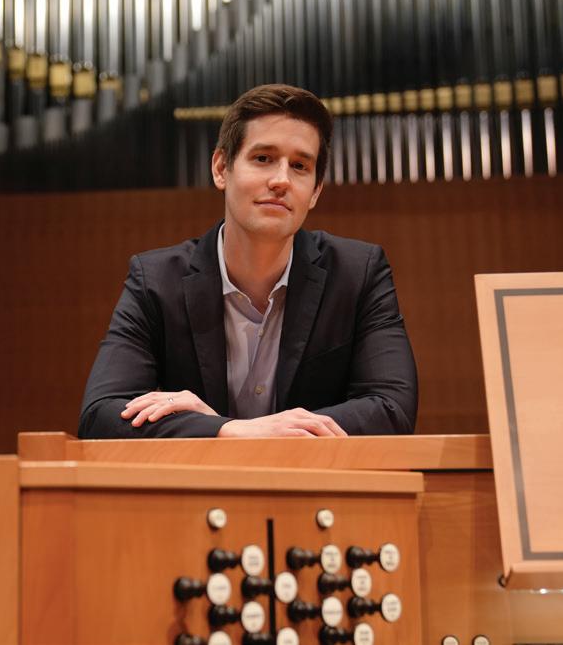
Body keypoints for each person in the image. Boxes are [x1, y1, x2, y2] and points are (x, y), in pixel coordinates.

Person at [79, 84, 417, 439]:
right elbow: (100, 415)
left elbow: (392, 409)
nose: (281, 180)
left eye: (300, 166)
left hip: (313, 477)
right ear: (221, 168)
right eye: (263, 159)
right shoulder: (155, 282)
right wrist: (228, 431)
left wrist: (250, 433)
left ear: (315, 190)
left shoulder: (358, 274)